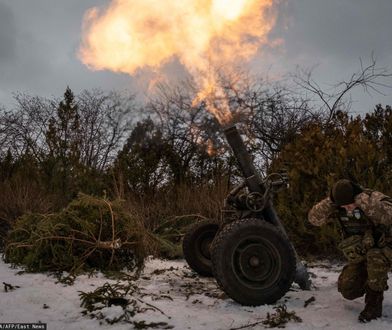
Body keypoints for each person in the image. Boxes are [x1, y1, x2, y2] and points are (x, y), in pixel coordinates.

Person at [308, 179, 392, 322]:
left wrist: (361, 199)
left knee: (375, 256)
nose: (348, 209)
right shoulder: (338, 206)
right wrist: (331, 201)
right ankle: (373, 281)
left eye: (350, 204)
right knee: (348, 289)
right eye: (344, 206)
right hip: (361, 253)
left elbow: (388, 216)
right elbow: (313, 219)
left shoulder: (372, 198)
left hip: (385, 249)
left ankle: (373, 304)